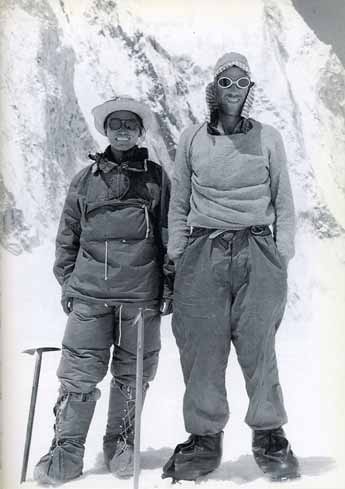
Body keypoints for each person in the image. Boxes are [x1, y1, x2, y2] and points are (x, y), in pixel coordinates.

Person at [162, 52, 300, 483]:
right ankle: (204, 439)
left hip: (258, 249)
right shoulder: (192, 138)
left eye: (242, 83)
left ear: (250, 91)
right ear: (214, 89)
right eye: (226, 82)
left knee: (258, 346)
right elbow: (181, 200)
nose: (234, 90)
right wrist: (178, 254)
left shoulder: (268, 138)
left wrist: (280, 255)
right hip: (202, 250)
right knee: (202, 347)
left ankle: (269, 435)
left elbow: (284, 201)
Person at [33, 96, 172, 484]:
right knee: (78, 374)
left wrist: (170, 284)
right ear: (106, 131)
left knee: (134, 375)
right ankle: (66, 452)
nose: (123, 129)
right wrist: (69, 282)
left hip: (141, 298)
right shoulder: (84, 180)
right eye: (115, 124)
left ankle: (121, 444)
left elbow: (168, 235)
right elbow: (68, 236)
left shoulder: (157, 179)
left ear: (140, 130)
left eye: (130, 123)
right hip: (90, 297)